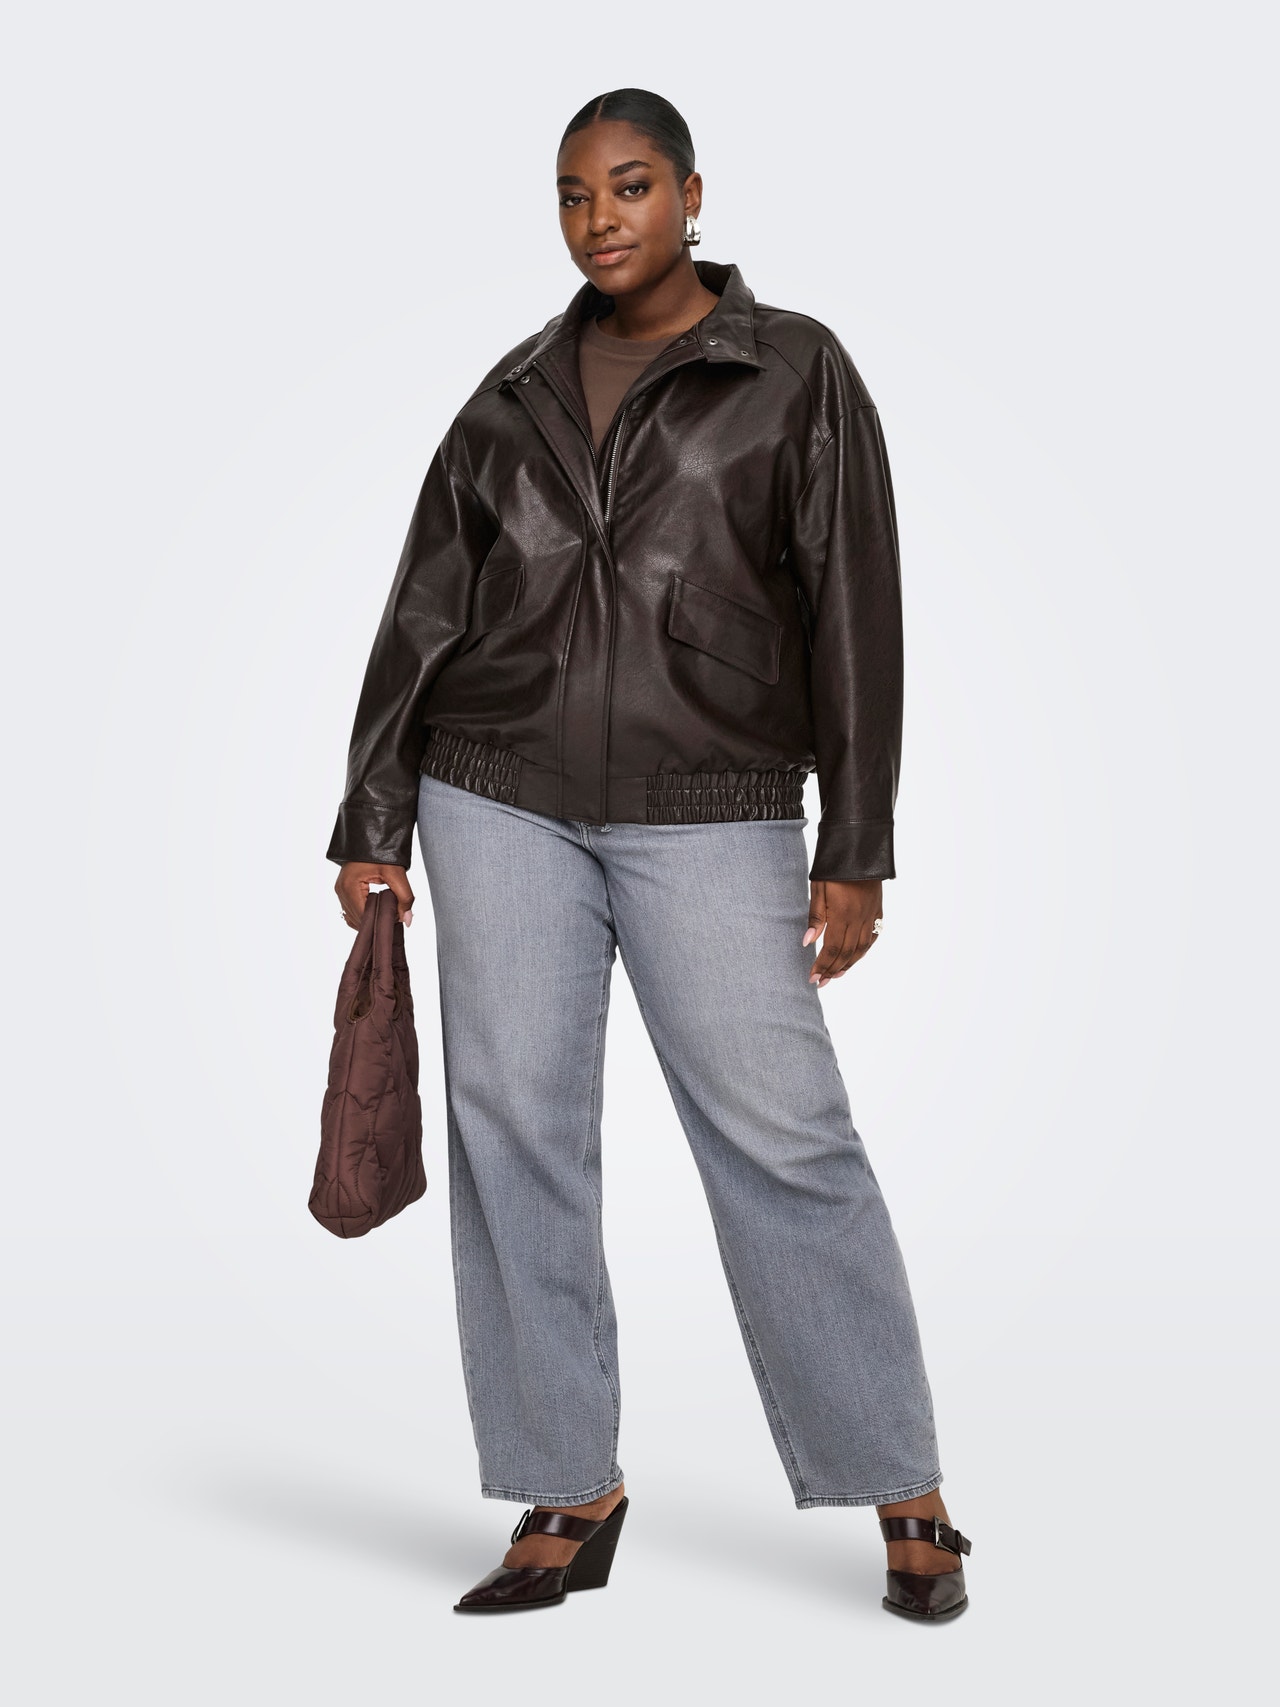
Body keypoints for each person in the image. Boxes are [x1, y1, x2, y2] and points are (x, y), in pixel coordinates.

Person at [327, 87, 972, 1621]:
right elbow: (426, 607)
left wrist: (857, 844)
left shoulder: (794, 372)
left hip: (715, 802)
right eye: (573, 193)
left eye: (627, 186)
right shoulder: (512, 396)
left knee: (786, 1134)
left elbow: (855, 610)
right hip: (498, 793)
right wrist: (373, 817)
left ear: (690, 192)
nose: (599, 217)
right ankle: (568, 1481)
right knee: (516, 1133)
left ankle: (903, 1481)